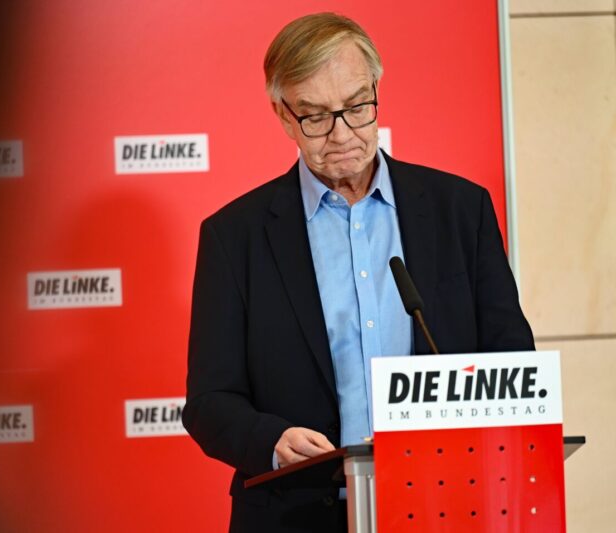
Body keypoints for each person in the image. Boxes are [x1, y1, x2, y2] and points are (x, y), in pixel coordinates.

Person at [182, 12, 534, 533]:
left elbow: (510, 357)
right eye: (317, 116)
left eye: (356, 107)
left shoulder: (460, 210)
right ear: (283, 114)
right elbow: (209, 402)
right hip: (295, 513)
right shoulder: (236, 236)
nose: (342, 133)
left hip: (445, 507)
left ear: (376, 91)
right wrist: (269, 441)